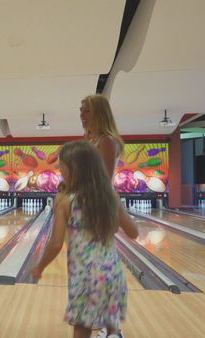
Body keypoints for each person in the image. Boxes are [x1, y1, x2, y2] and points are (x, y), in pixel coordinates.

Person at [32, 141, 138, 338]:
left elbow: (55, 244)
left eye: (61, 165)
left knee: (82, 329)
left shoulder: (64, 201)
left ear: (73, 169)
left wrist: (39, 267)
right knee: (110, 325)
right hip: (113, 276)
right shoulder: (110, 196)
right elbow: (133, 232)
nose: (59, 169)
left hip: (86, 279)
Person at [79, 94, 125, 177]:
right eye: (81, 110)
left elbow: (105, 178)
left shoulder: (106, 140)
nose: (81, 114)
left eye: (87, 111)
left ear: (100, 114)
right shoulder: (93, 140)